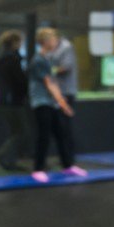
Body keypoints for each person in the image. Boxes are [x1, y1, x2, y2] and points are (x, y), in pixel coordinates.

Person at [28, 28, 87, 183]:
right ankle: (38, 169)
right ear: (45, 41)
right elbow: (50, 84)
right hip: (41, 103)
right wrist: (63, 104)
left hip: (51, 103)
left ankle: (68, 165)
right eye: (53, 39)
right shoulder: (38, 60)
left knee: (60, 134)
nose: (55, 42)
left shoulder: (47, 59)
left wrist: (59, 102)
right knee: (44, 136)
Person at [0, 30, 29, 170]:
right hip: (14, 102)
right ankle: (3, 156)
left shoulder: (0, 61)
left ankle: (8, 160)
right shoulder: (14, 60)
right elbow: (20, 82)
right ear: (15, 43)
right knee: (21, 132)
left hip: (2, 102)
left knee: (16, 131)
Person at [48, 33, 78, 164]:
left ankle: (69, 160)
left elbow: (65, 67)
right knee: (58, 129)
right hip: (55, 93)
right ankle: (65, 160)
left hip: (65, 93)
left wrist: (46, 71)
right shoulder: (51, 50)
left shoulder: (66, 48)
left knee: (64, 128)